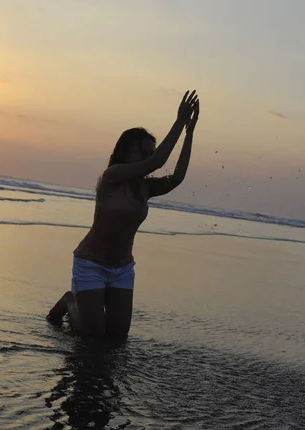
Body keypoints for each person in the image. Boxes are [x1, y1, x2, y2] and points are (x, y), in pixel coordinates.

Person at [47, 90, 199, 337]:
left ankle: (79, 305)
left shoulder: (145, 187)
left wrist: (189, 132)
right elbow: (157, 163)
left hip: (122, 268)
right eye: (143, 152)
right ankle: (70, 302)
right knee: (93, 340)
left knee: (117, 340)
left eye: (151, 152)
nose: (148, 159)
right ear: (127, 151)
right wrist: (179, 122)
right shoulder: (112, 177)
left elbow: (177, 177)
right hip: (91, 264)